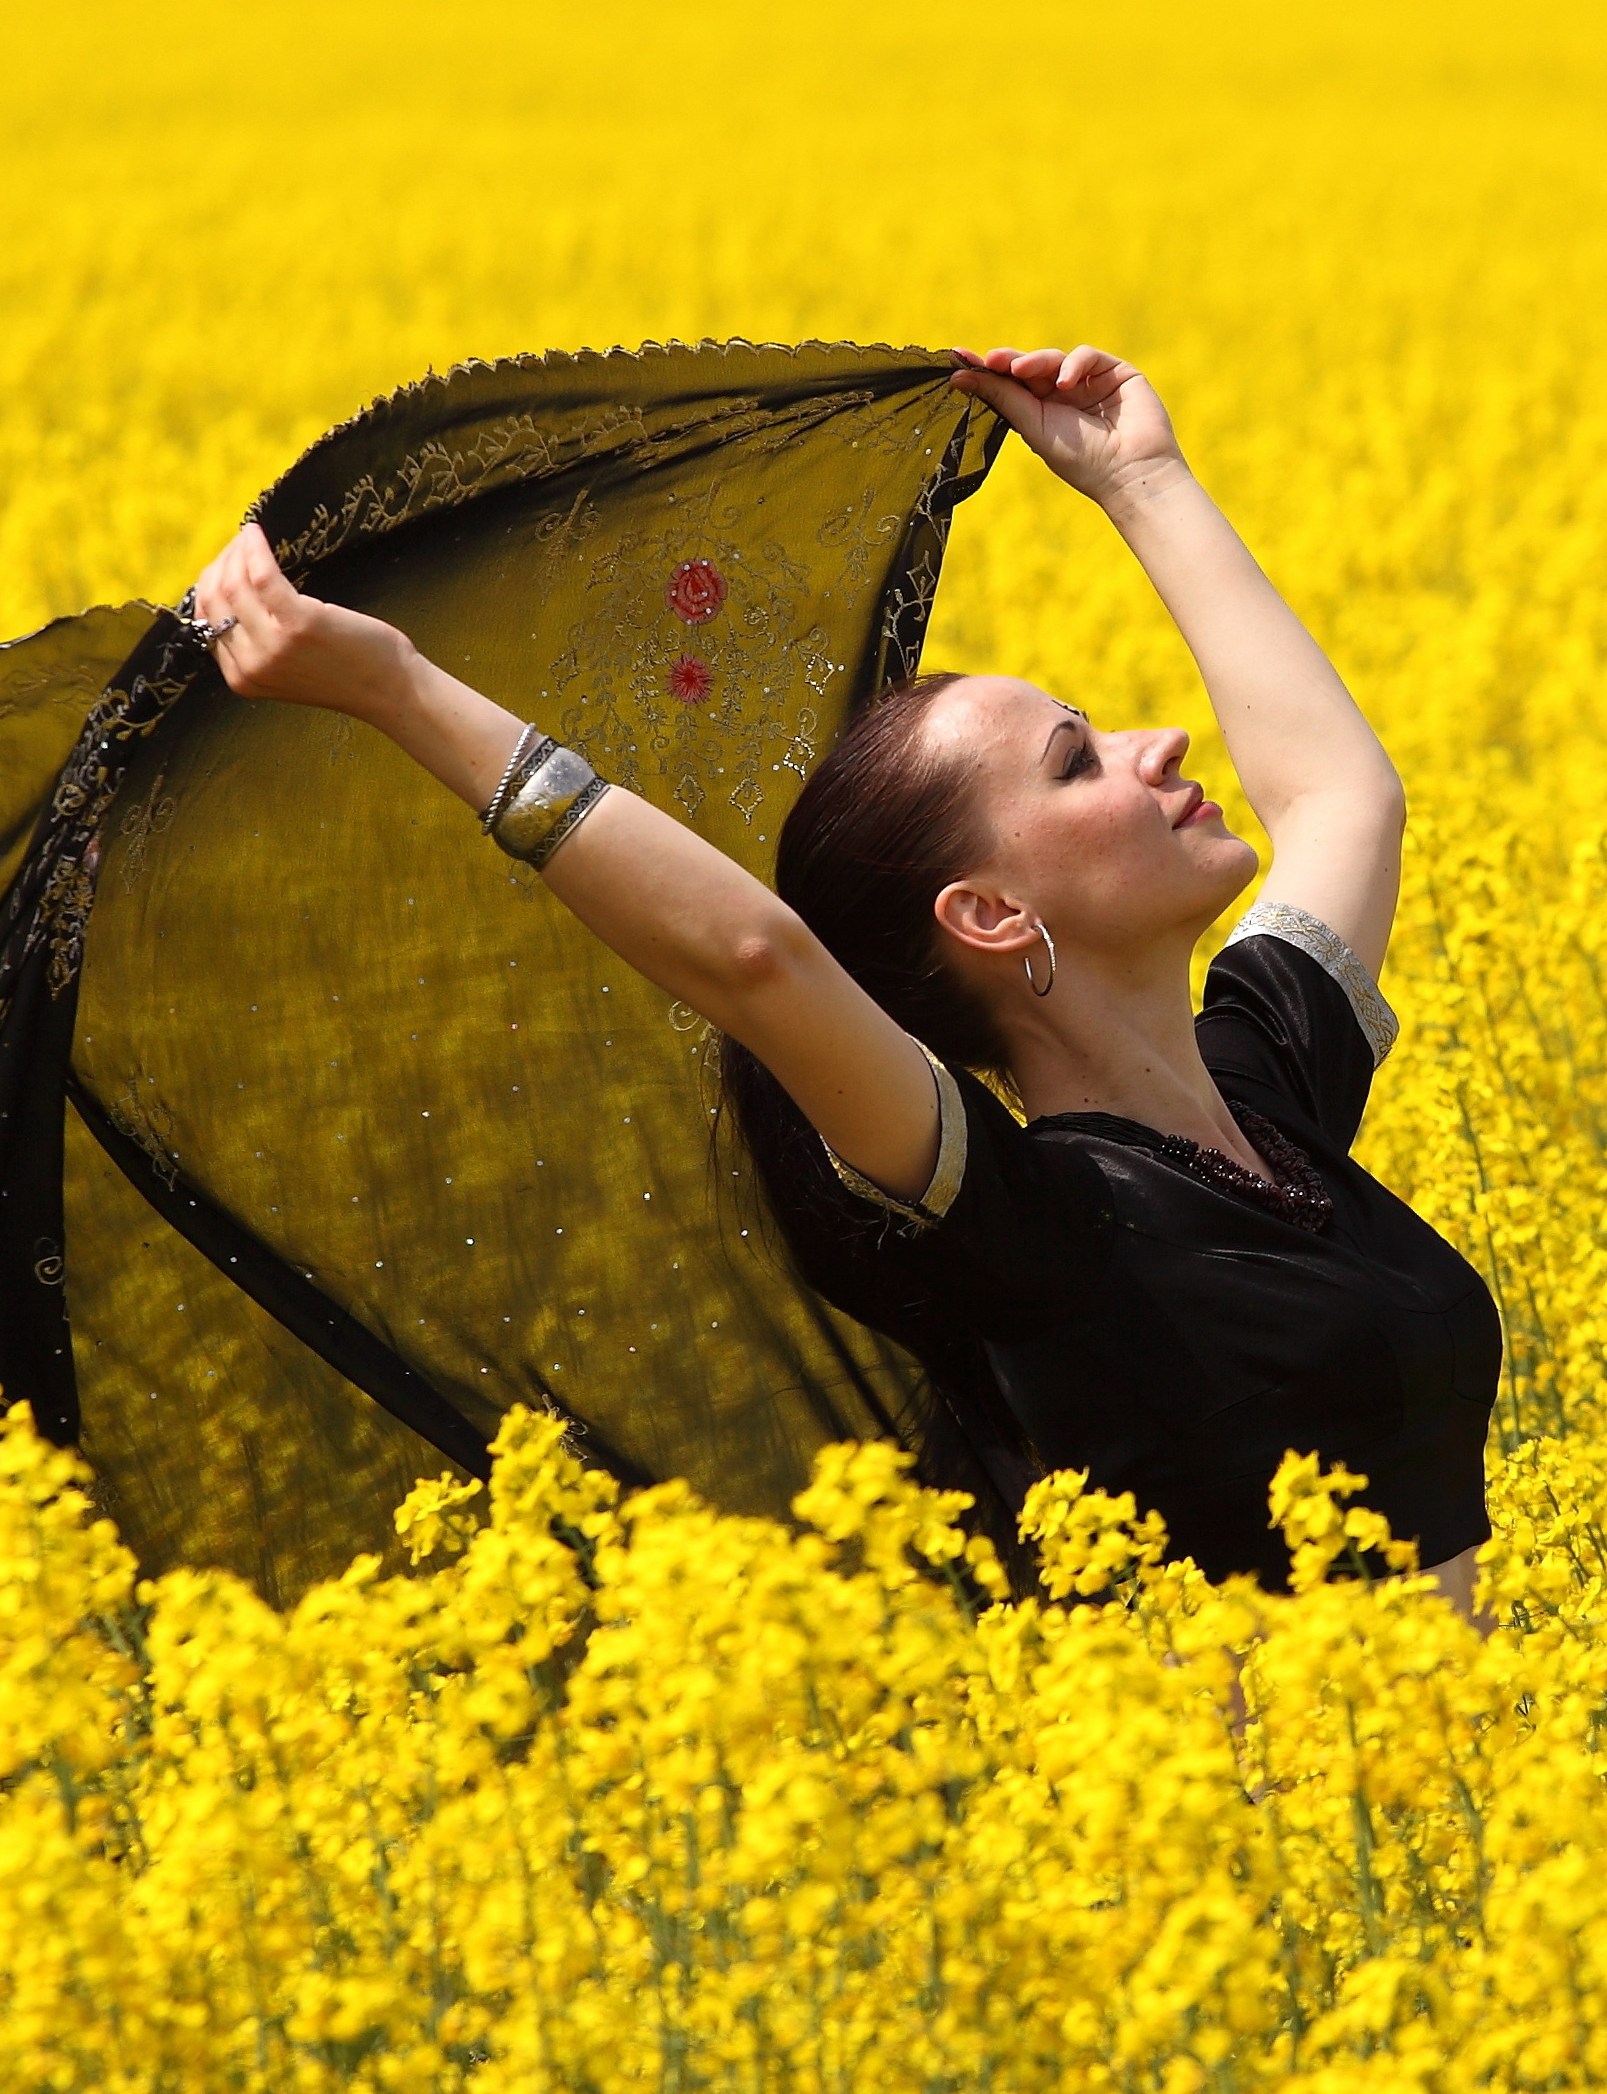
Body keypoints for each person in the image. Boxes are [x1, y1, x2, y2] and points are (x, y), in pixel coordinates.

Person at [181, 346, 1501, 1617]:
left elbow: (1342, 794)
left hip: (1458, 1816)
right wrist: (399, 687)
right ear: (988, 915)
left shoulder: (1272, 1098)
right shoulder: (1036, 1230)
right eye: (1074, 760)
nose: (1152, 744)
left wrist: (1138, 480)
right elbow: (757, 961)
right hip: (1237, 1830)